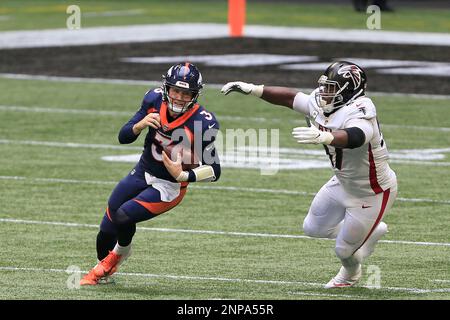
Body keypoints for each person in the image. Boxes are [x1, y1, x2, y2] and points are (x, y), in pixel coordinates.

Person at [221, 61, 397, 288]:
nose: (325, 92)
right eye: (325, 86)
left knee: (344, 251)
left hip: (372, 192)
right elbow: (290, 98)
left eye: (332, 88)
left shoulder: (361, 108)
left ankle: (350, 274)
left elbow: (358, 136)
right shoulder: (323, 102)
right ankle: (369, 231)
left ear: (350, 89)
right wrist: (254, 89)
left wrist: (328, 137)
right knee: (313, 228)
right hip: (342, 181)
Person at [80, 62, 221, 285]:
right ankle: (104, 272)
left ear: (195, 95)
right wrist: (139, 125)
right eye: (175, 90)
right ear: (166, 88)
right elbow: (123, 137)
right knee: (108, 225)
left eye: (186, 93)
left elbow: (215, 170)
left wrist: (183, 176)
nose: (179, 97)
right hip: (143, 170)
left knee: (125, 215)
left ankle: (119, 254)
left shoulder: (203, 122)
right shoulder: (153, 100)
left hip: (169, 186)